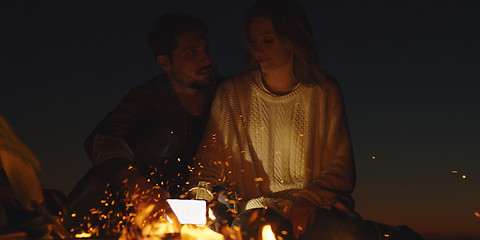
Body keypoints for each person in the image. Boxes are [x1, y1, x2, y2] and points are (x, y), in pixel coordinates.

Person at [189, 0, 377, 239]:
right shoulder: (232, 93)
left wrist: (308, 198)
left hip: (312, 209)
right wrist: (199, 197)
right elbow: (209, 161)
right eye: (253, 41)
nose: (259, 50)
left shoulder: (323, 92)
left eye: (268, 40)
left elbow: (341, 167)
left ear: (293, 39)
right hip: (254, 211)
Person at [66, 13, 222, 235]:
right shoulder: (148, 97)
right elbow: (103, 138)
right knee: (153, 141)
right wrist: (137, 187)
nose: (206, 59)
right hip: (151, 198)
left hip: (210, 200)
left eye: (206, 49)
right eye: (192, 53)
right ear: (165, 62)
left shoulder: (228, 94)